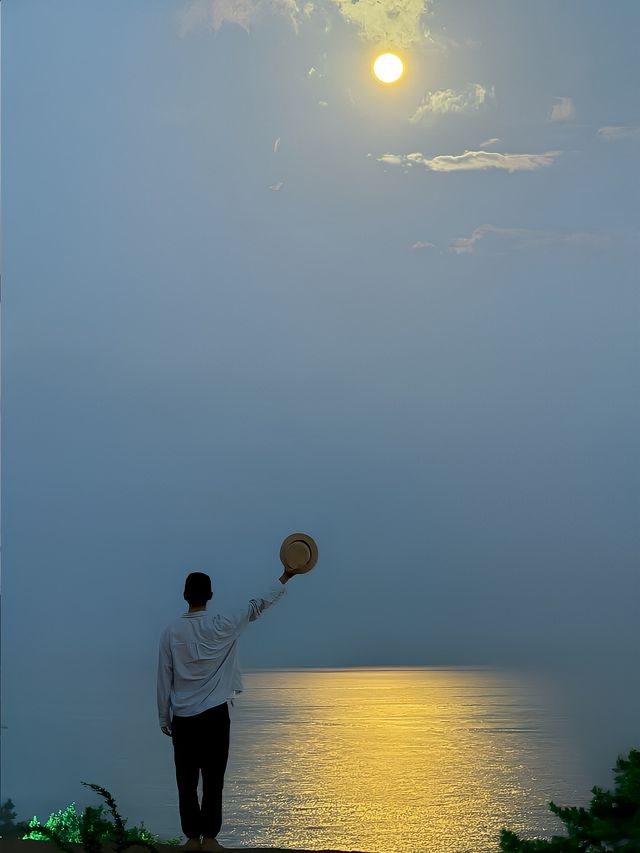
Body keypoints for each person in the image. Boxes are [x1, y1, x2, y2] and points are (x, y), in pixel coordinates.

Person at [157, 568, 295, 852]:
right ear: (210, 596)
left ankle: (192, 839)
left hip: (183, 718)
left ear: (185, 595)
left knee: (186, 781)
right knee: (213, 779)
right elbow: (258, 605)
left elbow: (164, 677)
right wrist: (285, 576)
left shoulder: (171, 632)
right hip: (215, 716)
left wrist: (163, 715)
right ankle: (210, 838)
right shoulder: (223, 623)